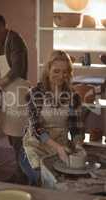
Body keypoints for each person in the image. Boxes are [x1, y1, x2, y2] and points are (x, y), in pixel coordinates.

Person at [20, 50, 85, 186]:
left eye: (65, 71)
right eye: (56, 71)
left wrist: (78, 145)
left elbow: (75, 128)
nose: (61, 76)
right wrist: (58, 148)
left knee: (64, 183)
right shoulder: (35, 94)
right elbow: (37, 129)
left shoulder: (74, 97)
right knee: (43, 180)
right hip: (35, 147)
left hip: (61, 146)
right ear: (48, 70)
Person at [0, 13, 29, 183]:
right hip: (9, 94)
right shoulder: (3, 42)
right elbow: (2, 64)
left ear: (1, 27)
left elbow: (17, 68)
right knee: (11, 136)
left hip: (19, 93)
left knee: (18, 138)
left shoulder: (15, 40)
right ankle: (19, 172)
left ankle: (24, 175)